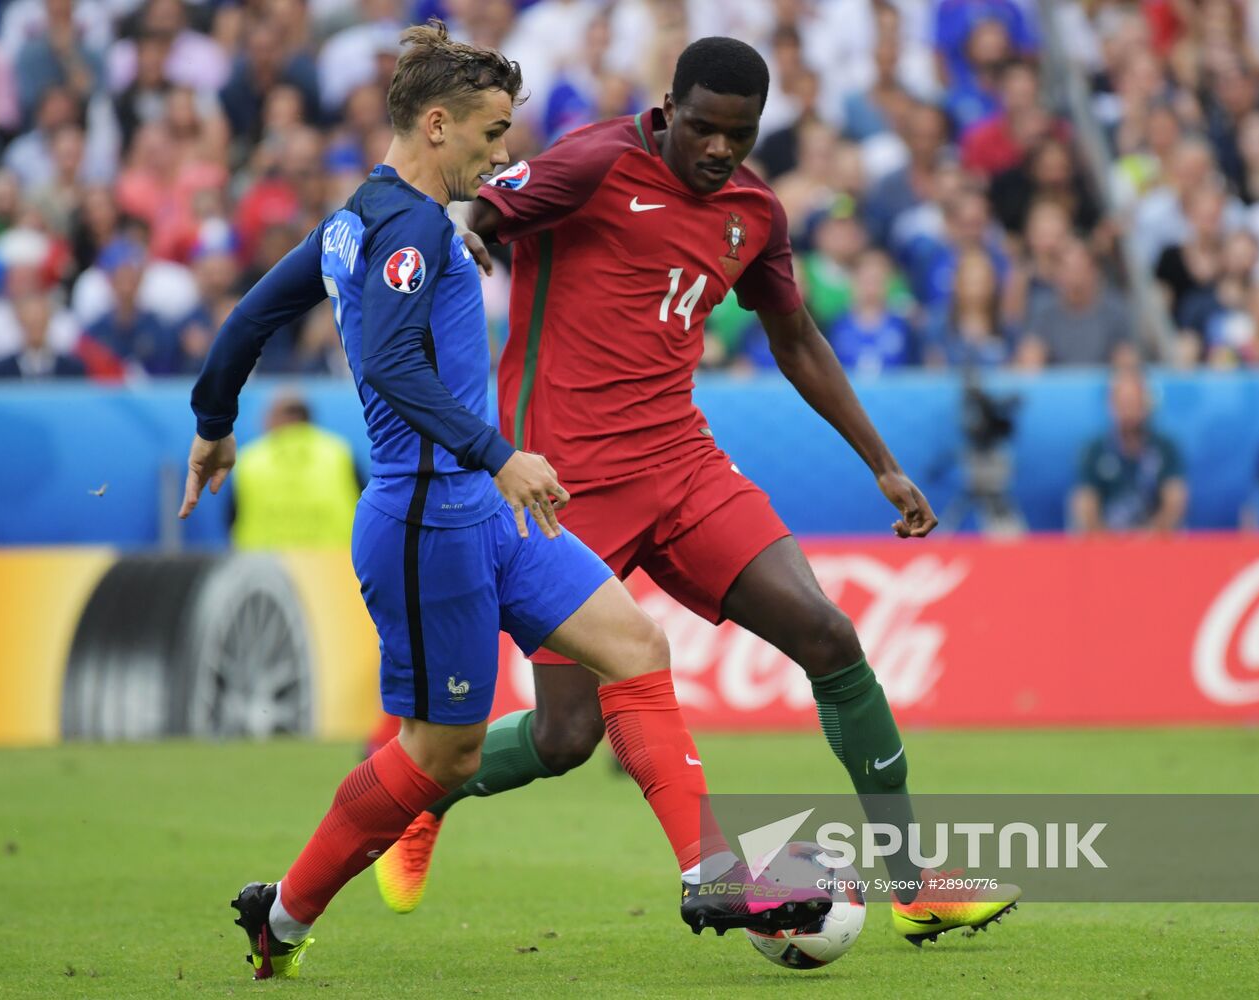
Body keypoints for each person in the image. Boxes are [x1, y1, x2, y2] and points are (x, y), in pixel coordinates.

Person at [178, 23, 826, 981]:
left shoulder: (366, 215)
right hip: (425, 521)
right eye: (490, 132)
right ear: (436, 125)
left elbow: (255, 314)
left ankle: (713, 874)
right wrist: (500, 454)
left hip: (490, 515)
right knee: (441, 757)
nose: (503, 152)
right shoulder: (403, 229)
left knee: (637, 649)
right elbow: (394, 363)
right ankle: (284, 910)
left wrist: (212, 417)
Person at [377, 35, 1019, 946]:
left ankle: (914, 881)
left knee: (830, 636)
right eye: (707, 130)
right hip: (563, 488)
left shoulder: (754, 210)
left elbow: (796, 339)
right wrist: (465, 241)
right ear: (671, 109)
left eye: (742, 135)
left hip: (682, 468)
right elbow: (475, 213)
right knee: (565, 739)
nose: (722, 151)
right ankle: (422, 791)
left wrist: (879, 459)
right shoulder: (594, 163)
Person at [228, 391, 364, 550]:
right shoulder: (339, 453)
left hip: (264, 563)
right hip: (332, 563)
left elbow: (231, 517)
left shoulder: (249, 459)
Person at [1072, 368, 1187, 533]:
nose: (1128, 410)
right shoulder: (1095, 450)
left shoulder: (1165, 447)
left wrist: (1151, 537)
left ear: (1146, 404)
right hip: (1107, 542)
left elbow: (1175, 500)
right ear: (1111, 405)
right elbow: (1085, 502)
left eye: (1134, 402)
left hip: (1156, 542)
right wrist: (1105, 541)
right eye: (1123, 403)